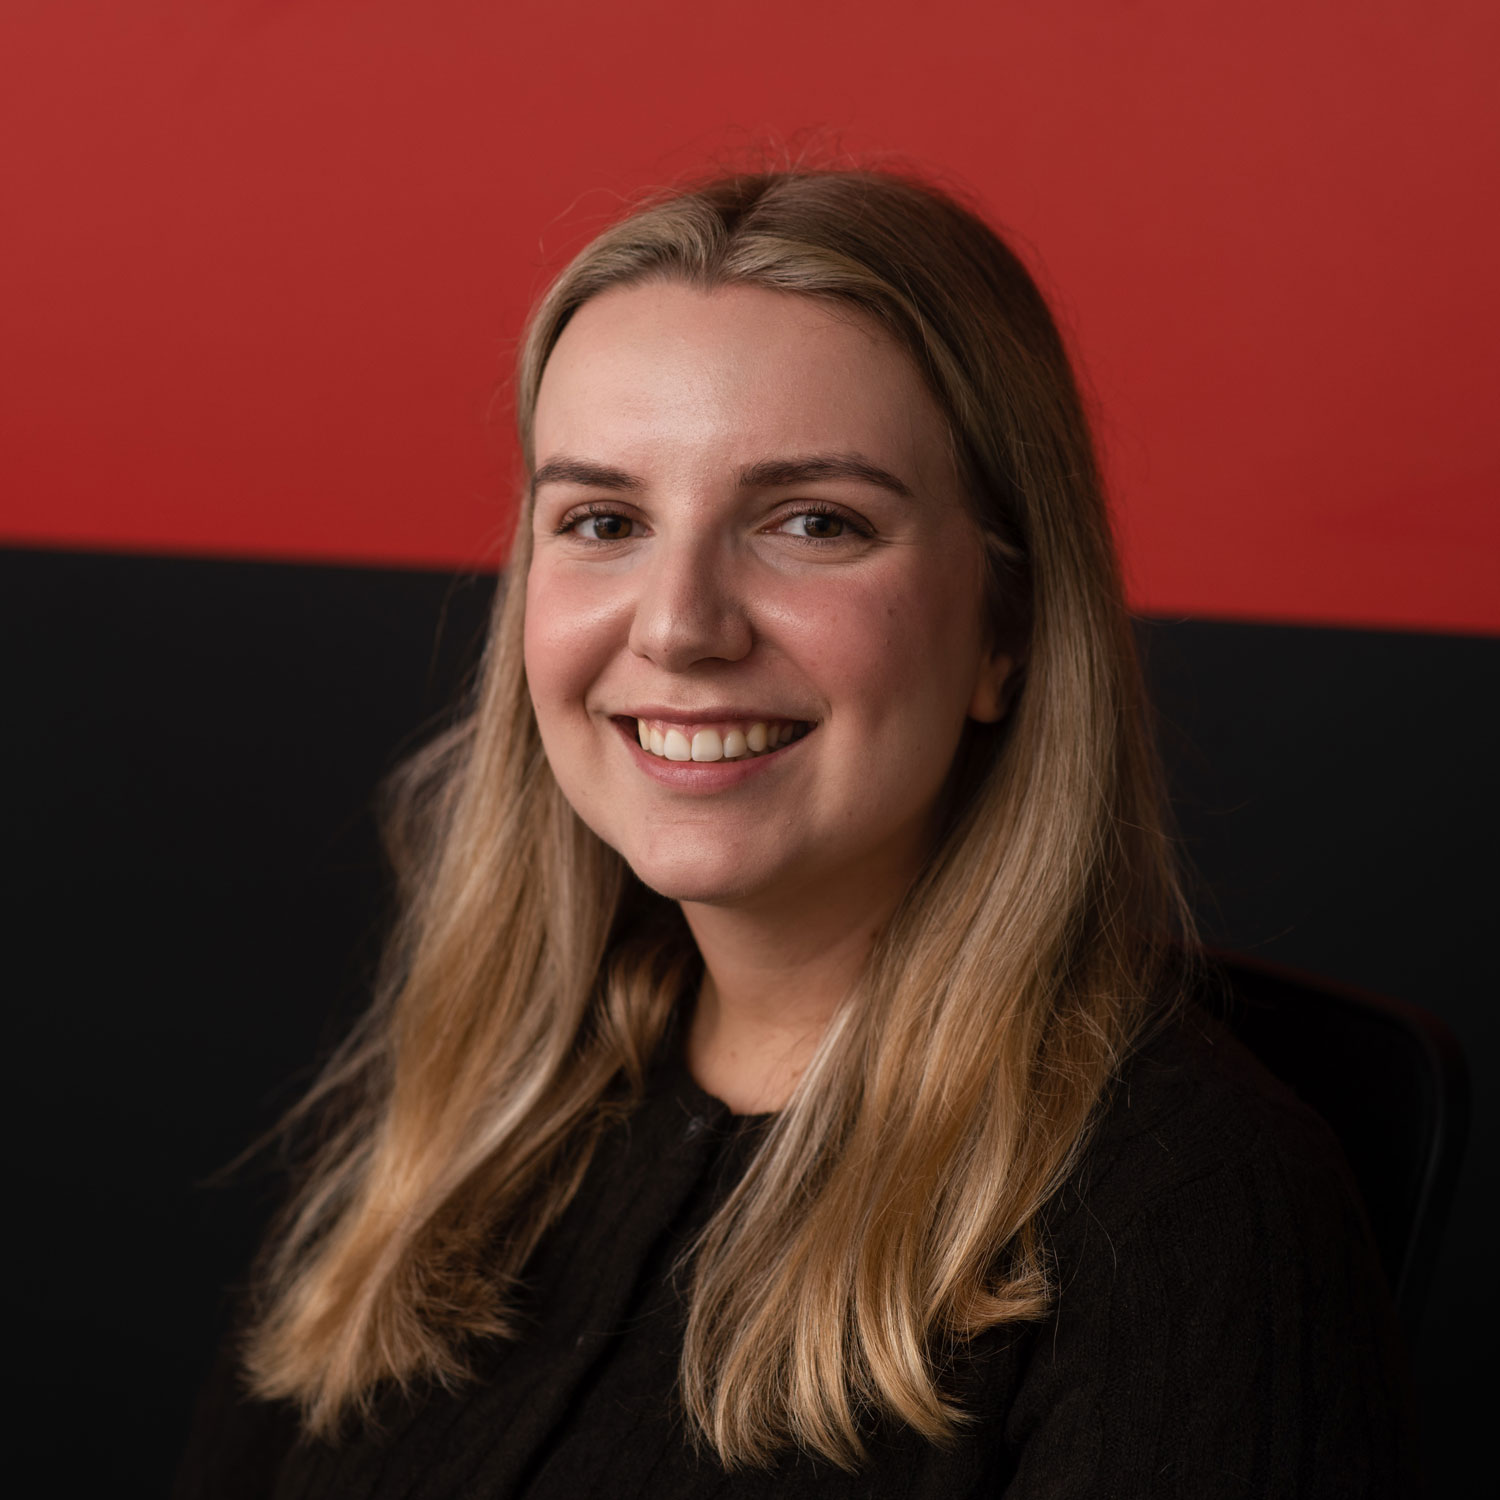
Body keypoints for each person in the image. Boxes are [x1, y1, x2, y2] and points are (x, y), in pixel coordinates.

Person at [175, 165, 1421, 1497]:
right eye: (603, 521)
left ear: (1005, 630)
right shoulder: (484, 1108)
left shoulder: (1194, 1215)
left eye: (814, 522)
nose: (678, 626)